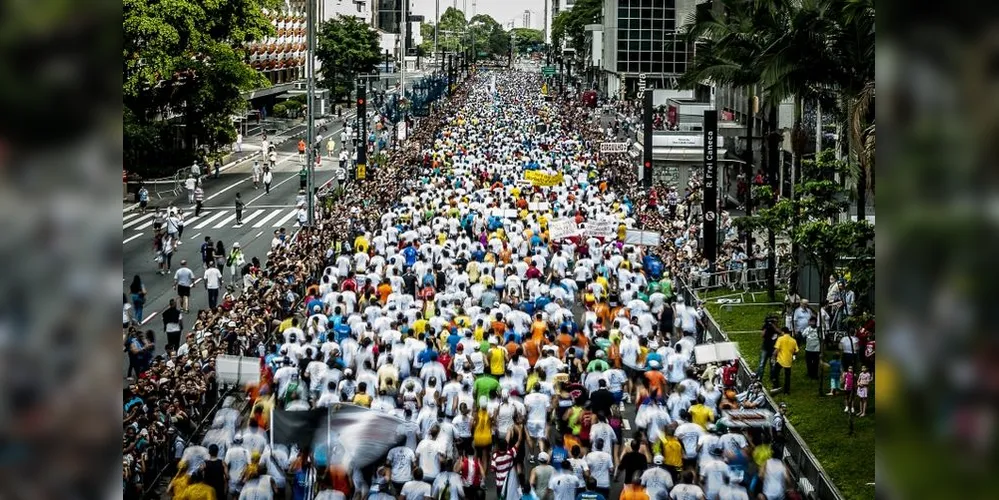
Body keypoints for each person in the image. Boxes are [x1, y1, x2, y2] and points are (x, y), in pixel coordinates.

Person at [772, 327, 798, 394]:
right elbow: (796, 350)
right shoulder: (793, 340)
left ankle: (776, 386)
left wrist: (773, 355)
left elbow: (777, 349)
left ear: (783, 332)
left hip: (780, 360)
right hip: (788, 361)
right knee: (787, 377)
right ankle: (787, 391)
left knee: (775, 373)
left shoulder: (780, 339)